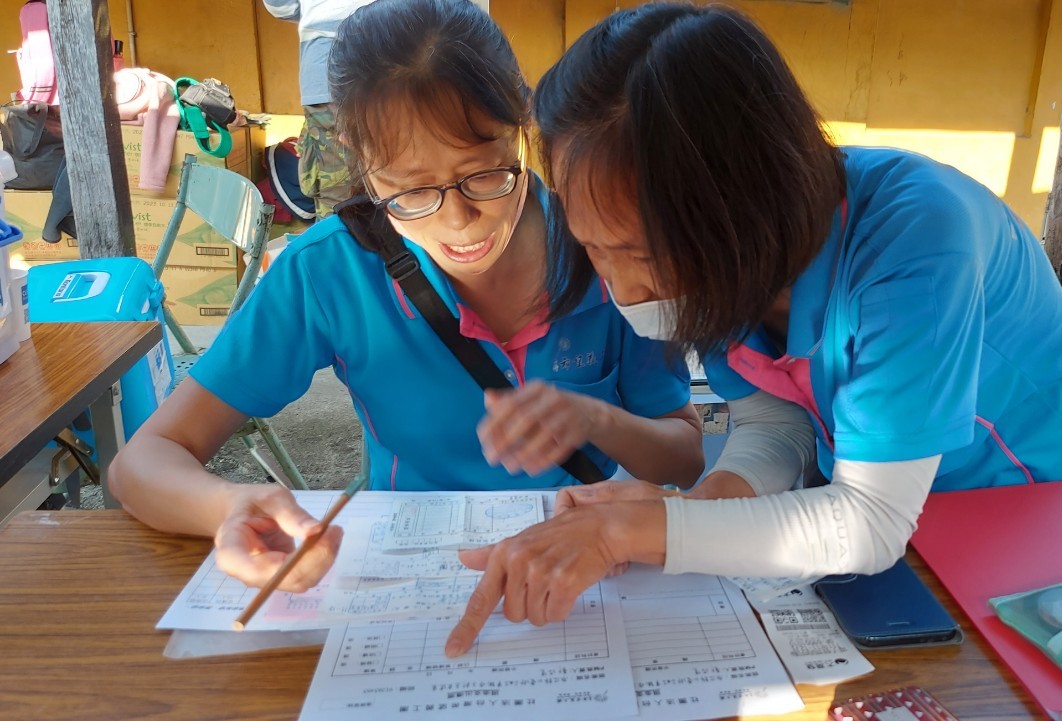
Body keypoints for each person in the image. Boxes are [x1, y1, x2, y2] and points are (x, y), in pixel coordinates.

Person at [443, 2, 1062, 656]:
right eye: (595, 248)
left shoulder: (915, 244)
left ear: (740, 207)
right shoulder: (725, 261)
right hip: (901, 529)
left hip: (1030, 507)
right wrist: (693, 513)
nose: (622, 289)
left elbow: (870, 520)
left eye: (641, 254)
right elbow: (777, 424)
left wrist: (635, 529)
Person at [110, 0, 703, 593]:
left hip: (586, 567)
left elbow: (684, 455)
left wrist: (597, 421)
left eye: (485, 174)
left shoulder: (601, 245)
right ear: (357, 154)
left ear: (521, 122)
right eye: (410, 191)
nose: (460, 221)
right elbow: (141, 463)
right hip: (412, 570)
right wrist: (227, 506)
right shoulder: (332, 271)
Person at [261, 0, 375, 217]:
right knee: (403, 182)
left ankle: (339, 237)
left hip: (324, 76)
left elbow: (281, 6)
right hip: (395, 71)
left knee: (337, 195)